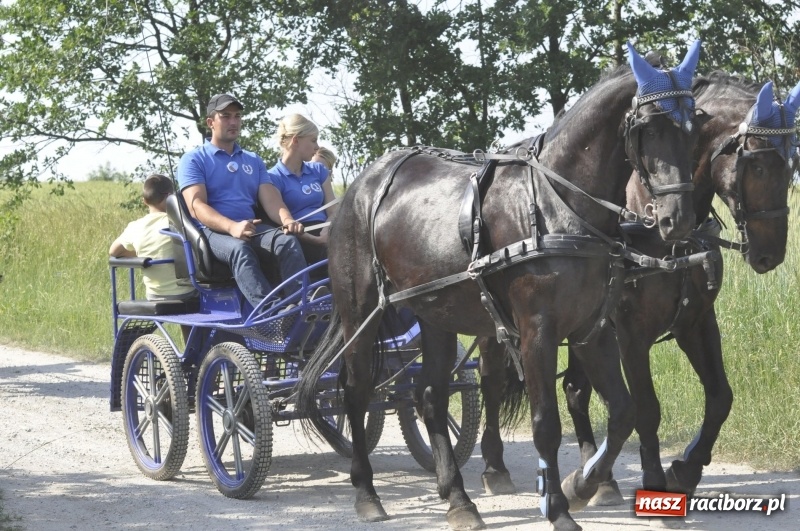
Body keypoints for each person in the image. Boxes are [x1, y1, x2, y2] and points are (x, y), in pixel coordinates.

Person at [176, 94, 307, 311]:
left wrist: (287, 219)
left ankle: (301, 304)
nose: (233, 122)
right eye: (225, 116)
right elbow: (196, 206)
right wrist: (232, 227)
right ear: (211, 123)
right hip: (212, 232)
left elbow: (271, 198)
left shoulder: (252, 160)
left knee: (288, 242)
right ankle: (272, 313)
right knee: (240, 251)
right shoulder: (194, 159)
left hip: (250, 227)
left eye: (237, 116)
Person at [109, 174, 196, 341]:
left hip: (155, 294)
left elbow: (114, 251)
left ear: (144, 201)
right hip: (186, 293)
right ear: (171, 197)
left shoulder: (135, 226)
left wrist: (141, 253)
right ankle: (193, 351)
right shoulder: (180, 221)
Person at [266, 115, 338, 265]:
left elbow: (333, 211)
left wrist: (328, 231)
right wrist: (317, 240)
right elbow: (285, 225)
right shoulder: (272, 178)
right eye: (313, 140)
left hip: (329, 231)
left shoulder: (318, 170)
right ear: (296, 140)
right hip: (301, 238)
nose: (317, 147)